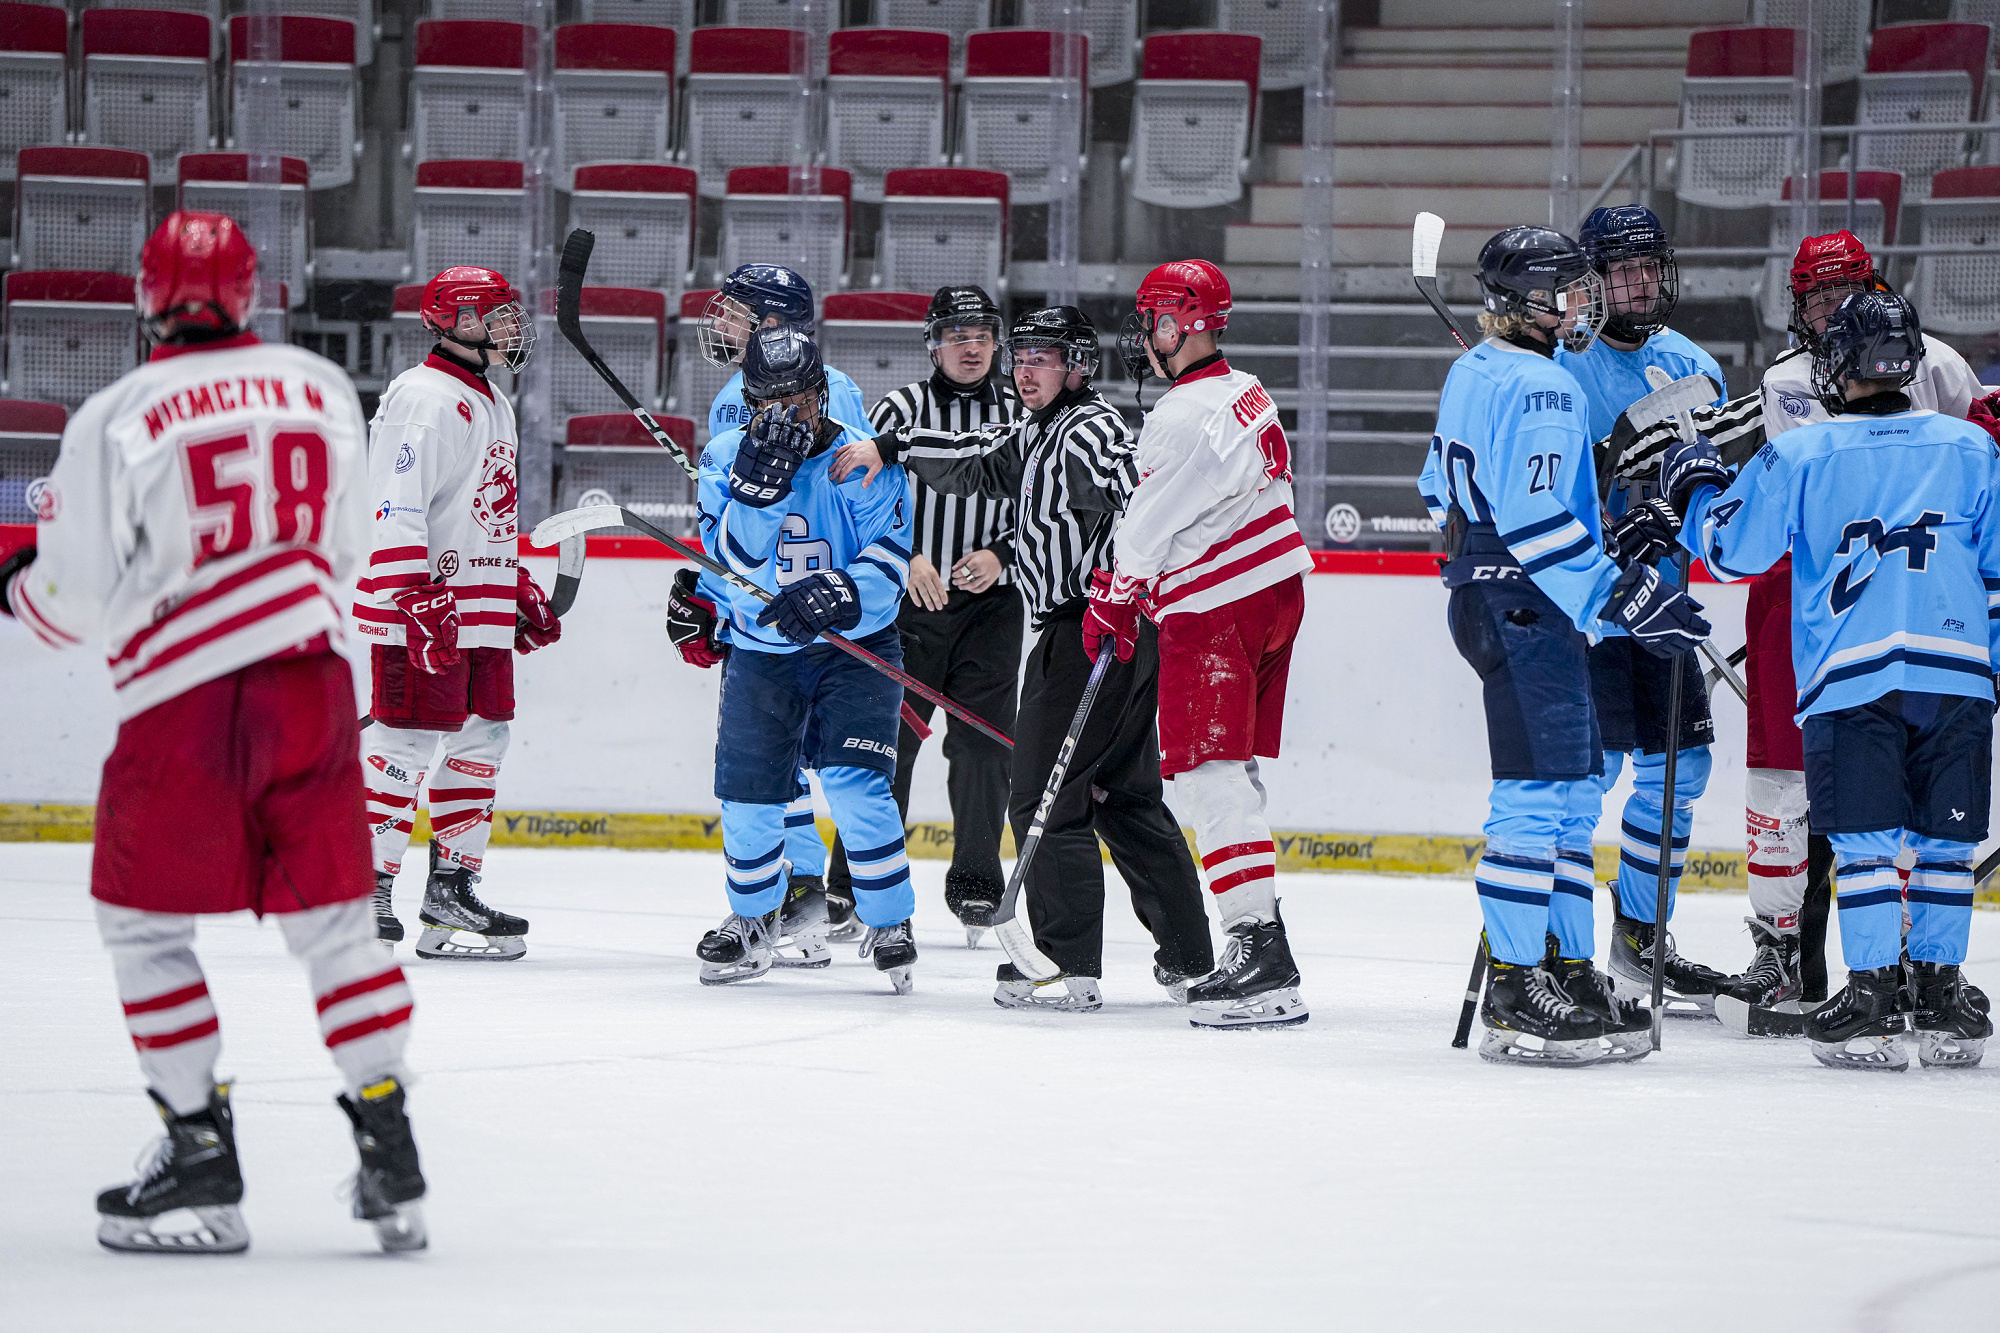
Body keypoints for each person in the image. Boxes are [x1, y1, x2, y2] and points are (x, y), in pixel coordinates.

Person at [0, 212, 425, 1253]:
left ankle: (197, 1152)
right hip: (310, 685)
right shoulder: (319, 385)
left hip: (180, 700)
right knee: (337, 923)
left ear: (147, 295)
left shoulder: (117, 411)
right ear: (250, 290)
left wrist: (17, 591)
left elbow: (75, 596)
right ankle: (391, 1151)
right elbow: (346, 549)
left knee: (143, 924)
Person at [1609, 230, 1986, 1014]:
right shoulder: (1786, 381)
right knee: (1785, 777)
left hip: (1883, 598)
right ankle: (1787, 950)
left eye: (1846, 292)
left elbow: (1730, 528)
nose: (1834, 309)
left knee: (1889, 802)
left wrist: (1690, 502)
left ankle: (1900, 964)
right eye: (1819, 297)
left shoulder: (1940, 369)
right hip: (1817, 593)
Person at [834, 307, 1216, 1013]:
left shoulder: (1089, 430)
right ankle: (1191, 958)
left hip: (1091, 632)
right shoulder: (1037, 431)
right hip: (1110, 635)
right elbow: (971, 458)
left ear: (1078, 365)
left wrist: (1124, 585)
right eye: (1022, 357)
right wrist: (889, 446)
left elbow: (1145, 501)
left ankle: (1065, 966)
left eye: (1043, 357)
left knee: (1045, 797)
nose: (1025, 370)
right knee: (1123, 798)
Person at [1418, 225, 1709, 1067]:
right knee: (1536, 795)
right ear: (1530, 302)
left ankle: (1569, 968)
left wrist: (1604, 540)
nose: (1586, 304)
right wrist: (1622, 593)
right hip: (1528, 603)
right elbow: (1540, 520)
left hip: (1503, 595)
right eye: (1572, 292)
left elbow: (1439, 489)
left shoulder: (1475, 369)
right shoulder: (1545, 385)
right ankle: (1516, 987)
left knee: (1573, 792)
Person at [677, 325, 920, 993]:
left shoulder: (861, 458)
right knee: (750, 796)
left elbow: (890, 562)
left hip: (855, 649)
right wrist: (761, 493)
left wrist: (842, 592)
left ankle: (889, 919)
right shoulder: (723, 456)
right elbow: (733, 563)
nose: (789, 415)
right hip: (763, 652)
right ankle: (754, 916)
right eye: (772, 403)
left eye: (803, 400)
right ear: (750, 401)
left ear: (824, 393)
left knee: (855, 783)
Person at [1105, 259, 1314, 1029]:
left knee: (1209, 774)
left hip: (1219, 607)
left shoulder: (1179, 413)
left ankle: (1259, 949)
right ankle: (1263, 936)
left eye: (1150, 322)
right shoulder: (1247, 388)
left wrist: (1118, 593)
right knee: (1234, 773)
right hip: (1275, 591)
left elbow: (1149, 525)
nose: (1144, 338)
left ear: (1174, 324)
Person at [353, 266, 561, 961]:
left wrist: (511, 584)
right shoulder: (423, 397)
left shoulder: (490, 398)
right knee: (404, 743)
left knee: (483, 739)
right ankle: (363, 892)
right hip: (423, 606)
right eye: (497, 316)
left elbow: (481, 510)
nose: (511, 328)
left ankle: (451, 892)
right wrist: (413, 596)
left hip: (473, 609)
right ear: (460, 322)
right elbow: (394, 506)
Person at [1556, 206, 1732, 1016]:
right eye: (1624, 270)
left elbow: (1713, 489)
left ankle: (1639, 938)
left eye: (1650, 266)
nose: (1642, 282)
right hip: (1591, 606)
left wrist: (1689, 502)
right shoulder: (1562, 363)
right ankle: (1555, 951)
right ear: (1593, 281)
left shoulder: (1693, 366)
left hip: (1662, 602)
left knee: (1681, 770)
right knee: (1583, 778)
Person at [826, 285, 1024, 946]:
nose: (972, 348)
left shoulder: (1023, 413)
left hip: (991, 608)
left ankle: (976, 883)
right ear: (933, 344)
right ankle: (852, 883)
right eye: (958, 336)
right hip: (906, 606)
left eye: (983, 336)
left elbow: (1048, 506)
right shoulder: (898, 409)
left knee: (984, 747)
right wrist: (905, 556)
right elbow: (853, 502)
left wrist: (1001, 554)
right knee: (885, 744)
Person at [697, 264, 867, 950]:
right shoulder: (729, 399)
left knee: (825, 759)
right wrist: (708, 591)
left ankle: (818, 893)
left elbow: (853, 492)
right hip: (756, 607)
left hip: (813, 606)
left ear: (772, 323)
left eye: (737, 311)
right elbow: (723, 520)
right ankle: (793, 893)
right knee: (769, 760)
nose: (722, 321)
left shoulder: (836, 391)